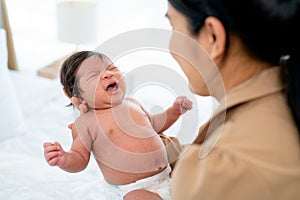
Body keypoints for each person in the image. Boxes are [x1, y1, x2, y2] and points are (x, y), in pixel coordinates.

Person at [163, 0, 300, 199]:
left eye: (173, 27)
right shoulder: (284, 97)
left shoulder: (216, 173)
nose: (171, 49)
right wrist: (152, 148)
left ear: (213, 37)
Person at [43, 51, 193, 200]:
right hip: (133, 189)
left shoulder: (132, 104)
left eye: (112, 68)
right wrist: (64, 159)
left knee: (193, 176)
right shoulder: (86, 123)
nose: (108, 74)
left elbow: (154, 125)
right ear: (76, 96)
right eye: (94, 75)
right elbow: (79, 158)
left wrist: (174, 111)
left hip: (167, 175)